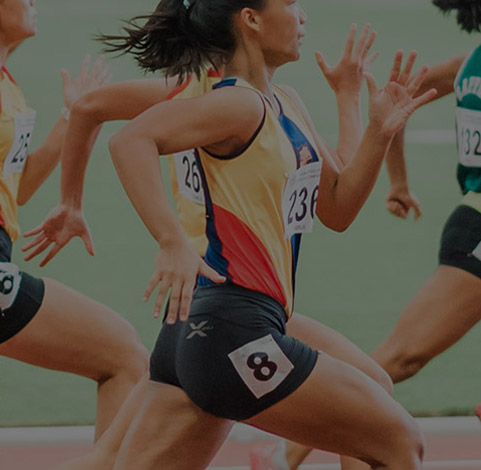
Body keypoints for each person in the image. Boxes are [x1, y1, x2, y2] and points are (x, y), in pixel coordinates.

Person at [27, 0, 436, 468]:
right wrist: (170, 241)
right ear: (251, 19)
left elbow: (338, 206)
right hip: (230, 323)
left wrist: (374, 126)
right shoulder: (235, 103)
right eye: (290, 3)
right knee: (399, 440)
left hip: (213, 322)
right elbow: (129, 139)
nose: (303, 15)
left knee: (374, 387)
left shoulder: (283, 103)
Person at [0, 0, 148, 440]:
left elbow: (18, 188)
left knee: (124, 356)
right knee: (123, 356)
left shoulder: (9, 86)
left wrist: (72, 115)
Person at [367, 0, 481, 422]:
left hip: (469, 223)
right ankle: (291, 446)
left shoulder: (467, 63)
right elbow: (394, 102)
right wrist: (396, 181)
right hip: (477, 233)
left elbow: (394, 100)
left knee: (398, 359)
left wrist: (399, 183)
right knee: (400, 358)